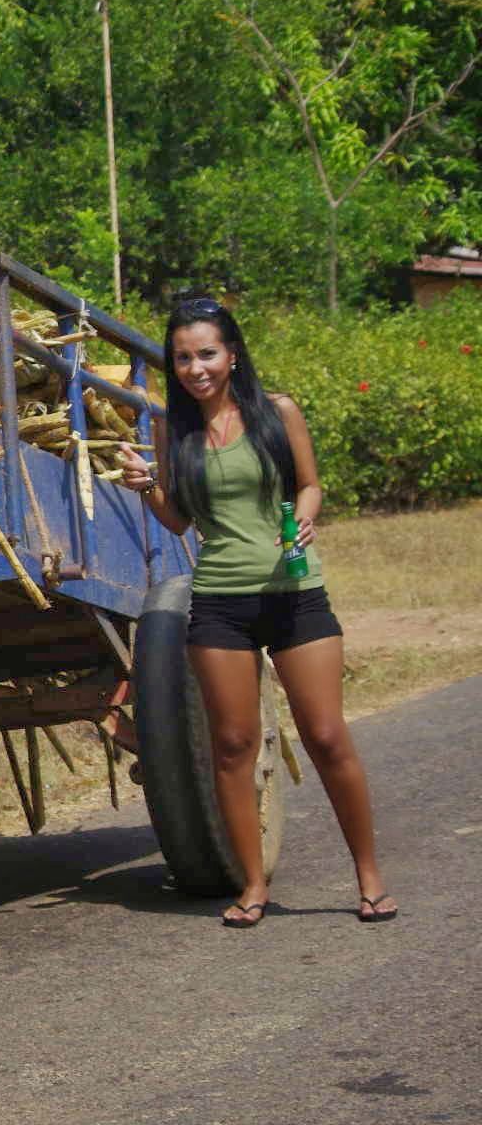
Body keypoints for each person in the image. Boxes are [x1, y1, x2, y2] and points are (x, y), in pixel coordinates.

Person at [119, 297, 396, 928]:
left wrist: (306, 518)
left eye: (207, 354)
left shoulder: (277, 413)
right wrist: (149, 489)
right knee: (233, 745)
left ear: (232, 354)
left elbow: (310, 483)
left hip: (296, 596)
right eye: (183, 358)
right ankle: (251, 885)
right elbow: (180, 520)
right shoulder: (174, 431)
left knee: (327, 736)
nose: (196, 368)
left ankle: (370, 874)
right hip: (219, 602)